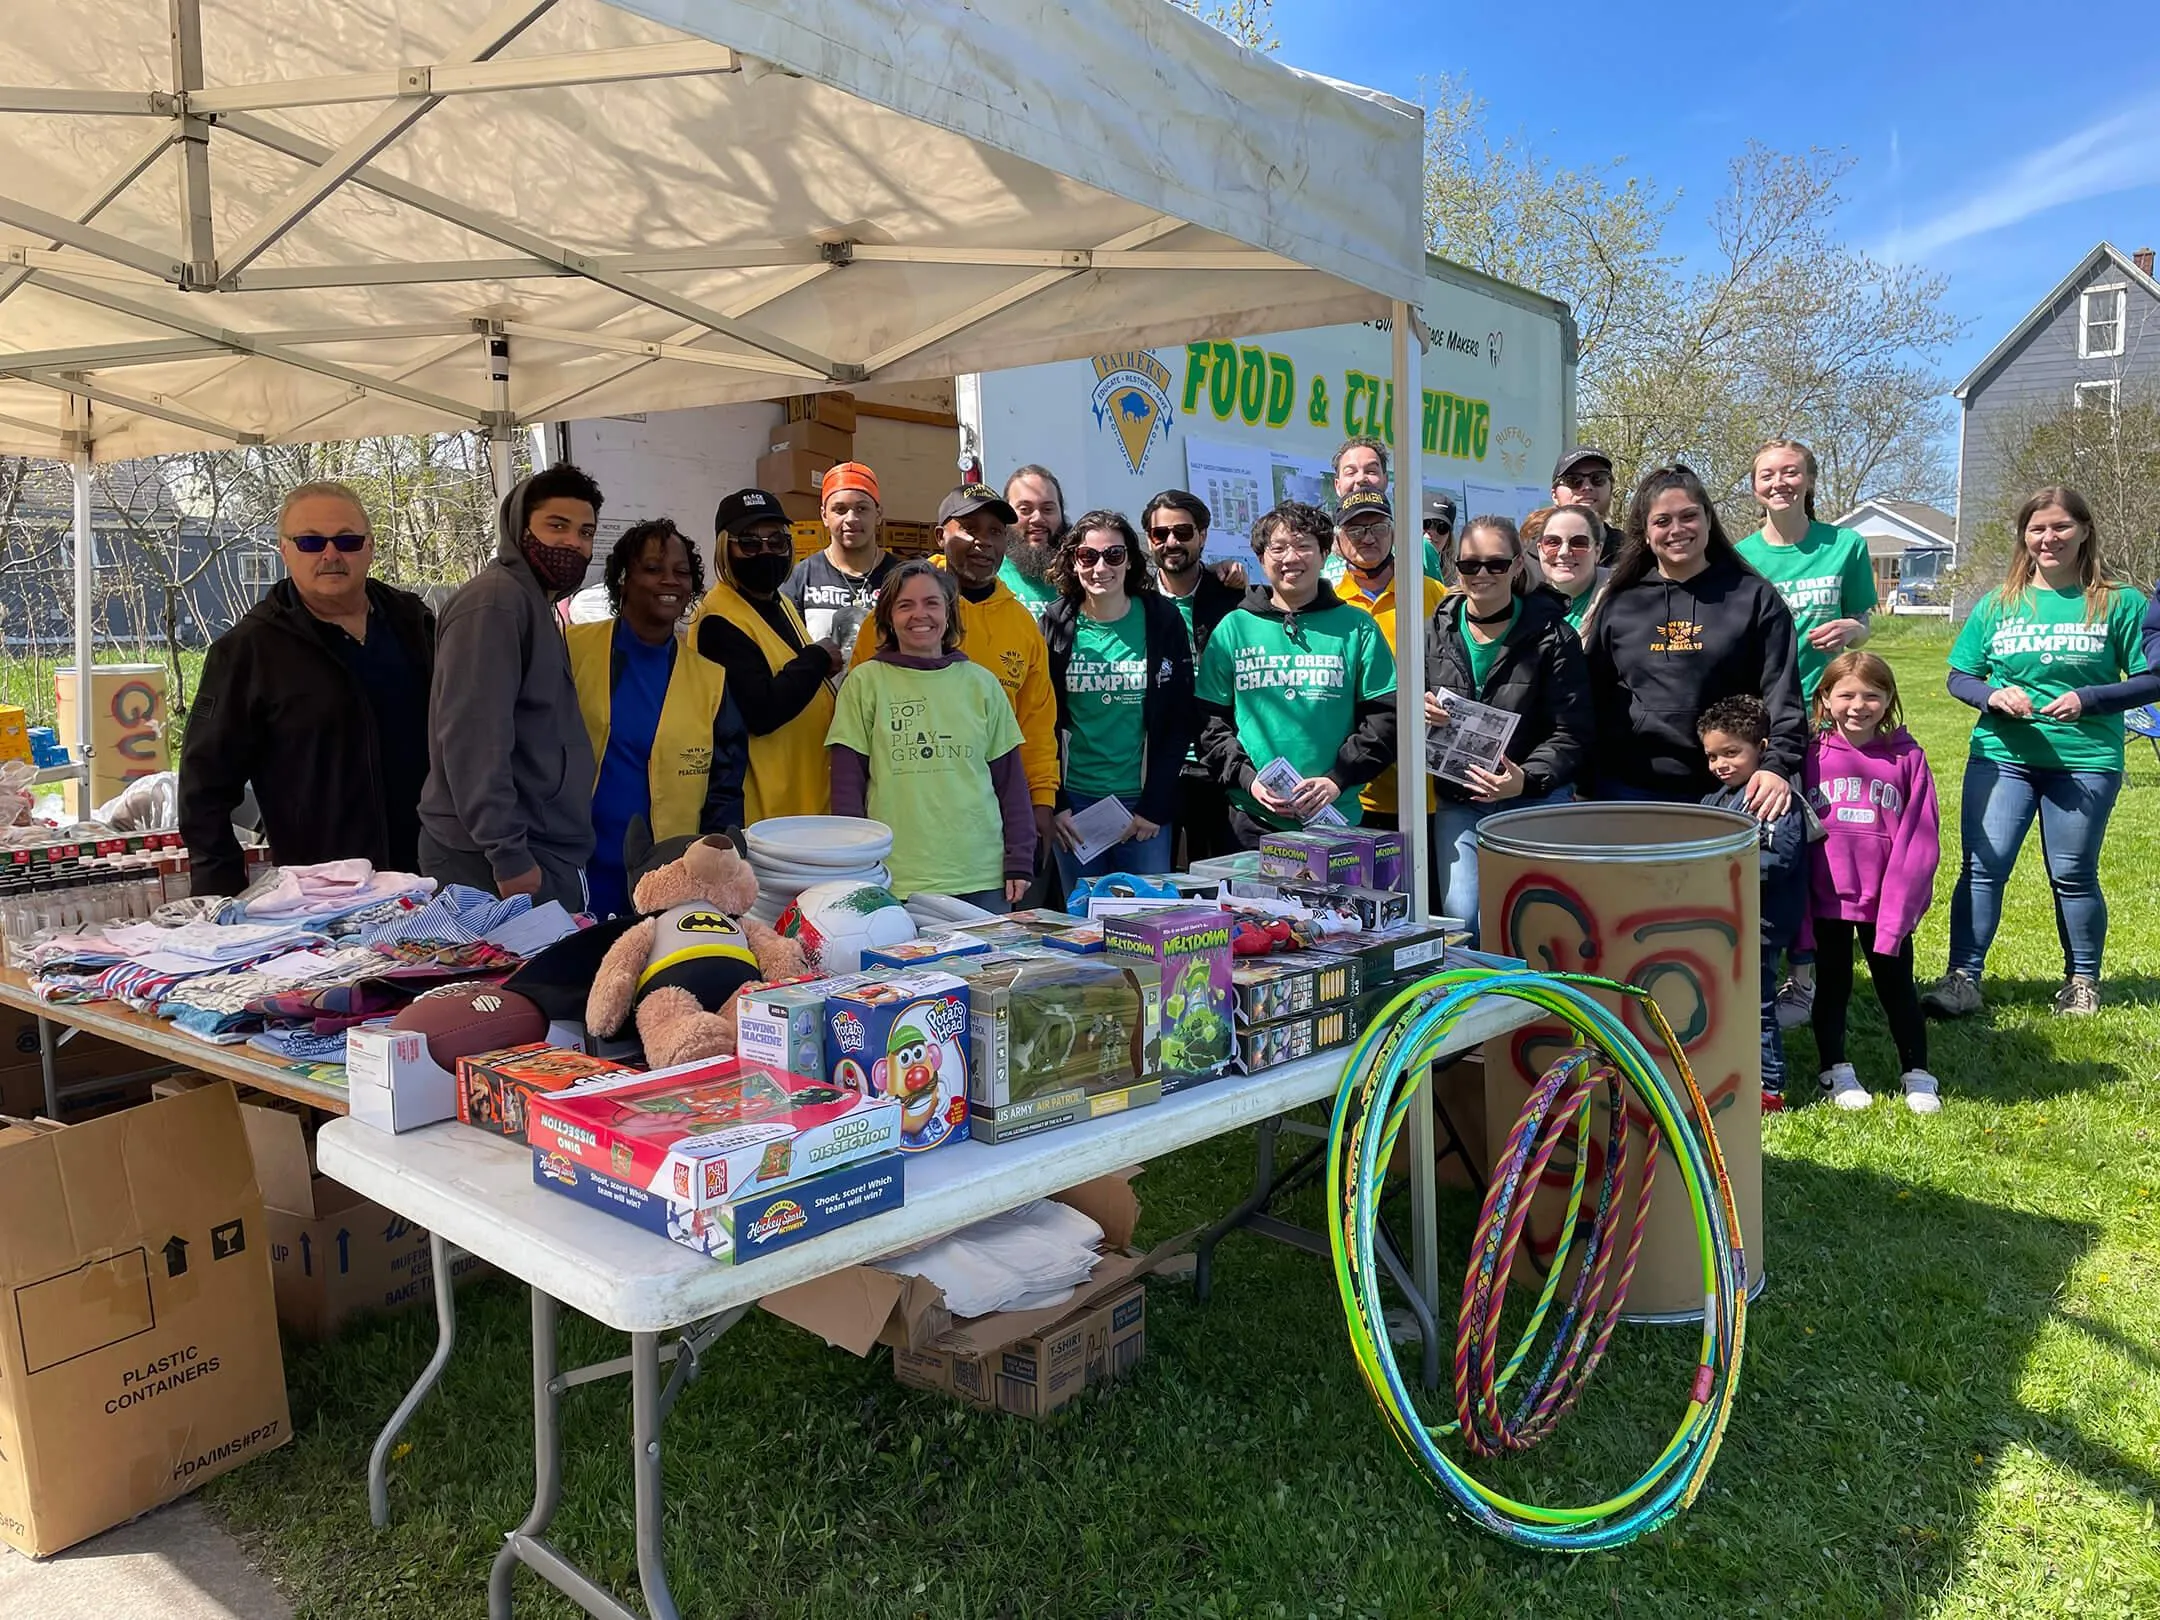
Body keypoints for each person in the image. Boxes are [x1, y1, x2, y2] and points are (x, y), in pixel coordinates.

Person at [1924, 486, 2157, 1019]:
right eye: (2037, 529)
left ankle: (2081, 983)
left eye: (2060, 527)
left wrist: (2090, 698)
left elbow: (2151, 680)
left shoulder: (2119, 602)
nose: (2048, 539)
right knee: (1983, 867)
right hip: (2002, 753)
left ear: (2083, 531)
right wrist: (1992, 695)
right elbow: (1960, 676)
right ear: (2024, 537)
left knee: (2073, 872)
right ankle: (1963, 977)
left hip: (2085, 759)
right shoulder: (1998, 603)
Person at [180, 482, 434, 896]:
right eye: (311, 542)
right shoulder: (249, 650)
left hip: (427, 879)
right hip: (321, 895)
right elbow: (203, 788)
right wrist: (219, 893)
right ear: (284, 550)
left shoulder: (414, 625)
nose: (330, 555)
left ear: (369, 547)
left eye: (347, 541)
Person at [1737, 437, 1877, 1030]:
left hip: (1833, 717)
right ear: (1754, 486)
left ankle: (1812, 974)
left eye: (1790, 473)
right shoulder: (1741, 555)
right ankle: (1779, 970)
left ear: (1808, 481)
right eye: (1767, 474)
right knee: (1775, 845)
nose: (1779, 483)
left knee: (1827, 844)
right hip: (1768, 718)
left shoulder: (1846, 545)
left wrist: (1851, 628)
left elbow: (1864, 624)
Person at [418, 464, 601, 911]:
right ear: (520, 527)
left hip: (532, 845)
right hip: (489, 859)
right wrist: (509, 855)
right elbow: (474, 739)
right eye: (557, 526)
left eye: (585, 532)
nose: (573, 543)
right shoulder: (495, 603)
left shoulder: (534, 603)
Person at [850, 484, 1059, 858]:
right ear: (939, 536)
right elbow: (855, 731)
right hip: (902, 832)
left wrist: (1041, 801)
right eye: (970, 528)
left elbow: (1036, 726)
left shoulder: (1022, 624)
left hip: (986, 832)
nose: (984, 542)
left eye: (996, 531)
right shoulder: (895, 618)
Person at [1581, 465, 1804, 811]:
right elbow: (1591, 698)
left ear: (1708, 521)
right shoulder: (1620, 604)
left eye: (1688, 516)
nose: (1677, 530)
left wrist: (1777, 766)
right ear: (1644, 532)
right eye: (1662, 521)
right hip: (1629, 789)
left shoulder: (1754, 597)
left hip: (1728, 791)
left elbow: (1783, 695)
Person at [827, 560, 1036, 911]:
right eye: (904, 605)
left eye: (931, 603)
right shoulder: (864, 683)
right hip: (895, 878)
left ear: (949, 614)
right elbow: (848, 787)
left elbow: (1011, 782)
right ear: (888, 618)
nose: (919, 615)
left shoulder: (982, 684)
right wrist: (856, 864)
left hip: (982, 876)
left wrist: (1019, 857)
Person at [1423, 515, 1593, 938]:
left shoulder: (1554, 637)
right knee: (1462, 920)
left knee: (1526, 922)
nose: (1482, 575)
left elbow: (1573, 731)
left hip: (1532, 798)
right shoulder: (1431, 632)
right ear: (1455, 566)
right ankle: (1471, 1004)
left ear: (1518, 565)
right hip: (1460, 798)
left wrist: (1527, 780)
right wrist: (1419, 710)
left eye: (1496, 564)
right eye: (1470, 565)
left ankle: (1531, 1003)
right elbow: (1398, 708)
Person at [567, 519, 746, 919]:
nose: (670, 581)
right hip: (577, 873)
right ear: (624, 579)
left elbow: (724, 793)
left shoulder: (711, 680)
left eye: (681, 573)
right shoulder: (572, 651)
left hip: (667, 881)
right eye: (653, 569)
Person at [1196, 501, 1398, 845]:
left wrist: (1338, 778)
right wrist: (1248, 779)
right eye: (1277, 548)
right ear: (1261, 559)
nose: (1291, 558)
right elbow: (1208, 721)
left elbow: (1385, 717)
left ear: (1324, 554)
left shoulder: (1357, 627)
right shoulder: (1234, 627)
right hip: (1251, 818)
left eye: (1303, 546)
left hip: (1335, 816)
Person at [1804, 651, 1941, 1114]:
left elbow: (1920, 840)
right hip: (1826, 901)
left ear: (1889, 701)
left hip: (1885, 902)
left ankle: (1918, 1072)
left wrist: (1899, 910)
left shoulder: (1908, 758)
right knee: (1834, 984)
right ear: (1825, 697)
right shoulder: (1809, 753)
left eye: (1872, 696)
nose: (1858, 705)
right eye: (1845, 694)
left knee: (1897, 985)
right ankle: (1835, 1069)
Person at [1041, 510, 1195, 885]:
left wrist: (1154, 807)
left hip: (1142, 805)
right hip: (1075, 808)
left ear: (1130, 560)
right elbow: (1042, 719)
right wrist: (1056, 805)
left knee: (1145, 921)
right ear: (1073, 561)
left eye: (1113, 555)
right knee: (1082, 922)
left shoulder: (1162, 619)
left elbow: (1180, 718)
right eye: (1088, 556)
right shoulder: (1056, 622)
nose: (1100, 567)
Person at [692, 488, 842, 822]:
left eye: (776, 542)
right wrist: (817, 659)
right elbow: (762, 710)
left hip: (804, 797)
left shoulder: (780, 602)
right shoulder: (719, 619)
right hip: (765, 811)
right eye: (749, 543)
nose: (765, 552)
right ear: (724, 548)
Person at [1697, 697, 1808, 1111]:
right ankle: (1732, 1070)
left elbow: (1776, 860)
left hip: (1759, 924)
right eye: (1712, 755)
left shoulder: (1774, 798)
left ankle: (1770, 1088)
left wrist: (1713, 871)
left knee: (1756, 1006)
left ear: (1762, 747)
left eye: (1731, 752)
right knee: (1725, 1002)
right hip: (1725, 922)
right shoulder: (1717, 799)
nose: (1720, 764)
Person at [1330, 490, 1444, 830]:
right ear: (1338, 542)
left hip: (1428, 791)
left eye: (1378, 527)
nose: (1368, 538)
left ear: (1394, 533)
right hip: (1358, 791)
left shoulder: (1434, 594)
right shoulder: (1332, 604)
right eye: (1355, 529)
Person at [1144, 489, 1242, 863]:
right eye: (1160, 534)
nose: (1171, 542)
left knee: (1217, 883)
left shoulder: (1233, 597)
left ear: (1203, 535)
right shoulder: (1134, 601)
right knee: (1155, 884)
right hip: (1154, 767)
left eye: (1183, 532)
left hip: (1217, 765)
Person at [782, 461, 895, 646]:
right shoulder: (800, 579)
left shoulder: (902, 578)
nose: (851, 519)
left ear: (878, 514)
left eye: (862, 508)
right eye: (840, 510)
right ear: (824, 515)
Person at [1324, 437, 1443, 580]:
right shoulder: (1319, 549)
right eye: (1350, 472)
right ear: (1337, 485)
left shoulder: (1419, 549)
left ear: (1386, 480)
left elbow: (1437, 600)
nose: (1361, 478)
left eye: (1371, 471)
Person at [1523, 504, 1608, 631]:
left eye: (1579, 543)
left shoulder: (1623, 600)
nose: (1563, 552)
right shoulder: (1524, 603)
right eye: (1553, 542)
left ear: (1598, 551)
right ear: (1540, 550)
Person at [999, 464, 1066, 623]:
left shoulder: (1083, 575)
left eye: (1048, 509)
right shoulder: (989, 575)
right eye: (1025, 509)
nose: (1037, 518)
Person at [1551, 447, 1620, 564]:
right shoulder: (1526, 560)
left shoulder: (1635, 554)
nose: (1587, 487)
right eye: (1573, 480)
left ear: (1611, 489)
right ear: (1554, 495)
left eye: (1598, 478)